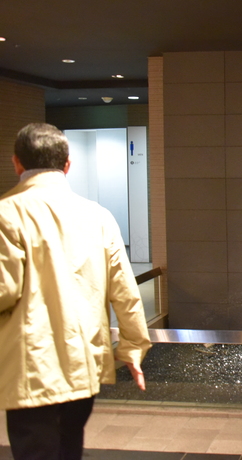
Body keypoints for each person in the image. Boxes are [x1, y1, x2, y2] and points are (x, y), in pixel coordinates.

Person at [0, 123, 152, 460]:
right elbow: (125, 291)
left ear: (17, 163)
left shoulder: (6, 213)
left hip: (32, 371)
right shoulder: (98, 216)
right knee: (69, 448)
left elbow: (4, 290)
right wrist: (133, 347)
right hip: (84, 366)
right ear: (67, 165)